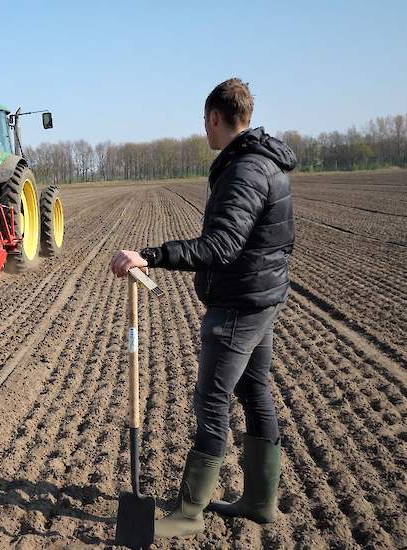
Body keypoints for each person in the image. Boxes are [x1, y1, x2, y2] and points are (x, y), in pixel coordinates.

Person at [109, 78, 296, 538]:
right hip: (260, 297)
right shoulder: (266, 163)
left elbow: (222, 244)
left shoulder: (245, 170)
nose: (205, 129)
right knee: (255, 392)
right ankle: (258, 502)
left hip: (238, 303)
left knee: (212, 400)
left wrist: (150, 255)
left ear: (215, 117)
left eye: (204, 120)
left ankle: (190, 513)